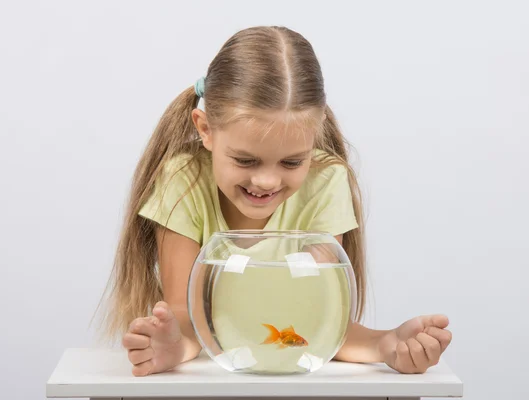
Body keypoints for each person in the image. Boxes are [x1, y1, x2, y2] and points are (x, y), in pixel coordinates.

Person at [94, 26, 452, 377]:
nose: (265, 181)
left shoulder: (326, 182)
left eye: (292, 162)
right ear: (205, 129)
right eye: (245, 160)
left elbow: (317, 324)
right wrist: (173, 346)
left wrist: (386, 344)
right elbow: (184, 315)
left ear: (315, 133)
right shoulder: (183, 179)